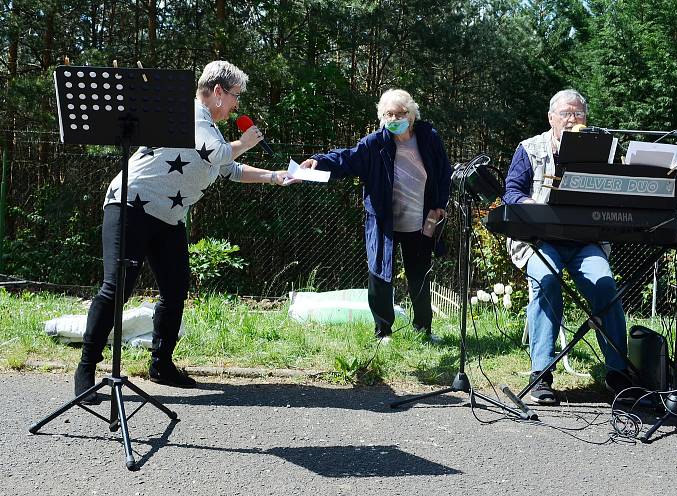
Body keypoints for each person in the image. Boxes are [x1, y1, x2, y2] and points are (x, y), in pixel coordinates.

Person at [74, 60, 297, 403]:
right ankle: (86, 370)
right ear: (219, 92)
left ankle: (161, 365)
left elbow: (230, 169)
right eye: (236, 95)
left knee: (175, 289)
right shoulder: (192, 115)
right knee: (117, 287)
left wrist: (273, 175)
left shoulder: (211, 128)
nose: (237, 105)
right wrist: (247, 141)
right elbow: (220, 153)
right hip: (132, 204)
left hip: (168, 217)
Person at [503, 89, 630, 405]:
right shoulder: (529, 149)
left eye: (579, 114)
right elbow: (511, 192)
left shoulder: (603, 151)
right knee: (547, 283)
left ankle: (619, 375)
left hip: (586, 241)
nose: (573, 119)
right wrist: (534, 207)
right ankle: (541, 376)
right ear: (551, 118)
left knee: (606, 288)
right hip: (538, 240)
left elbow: (619, 188)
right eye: (566, 113)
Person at [300, 89, 452, 342]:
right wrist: (319, 161)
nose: (394, 119)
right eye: (388, 114)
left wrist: (439, 204)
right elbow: (347, 158)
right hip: (385, 221)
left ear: (411, 115)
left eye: (399, 113)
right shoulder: (375, 143)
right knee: (380, 274)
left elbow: (443, 171)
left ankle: (424, 329)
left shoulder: (428, 138)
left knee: (420, 275)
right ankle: (383, 332)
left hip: (421, 220)